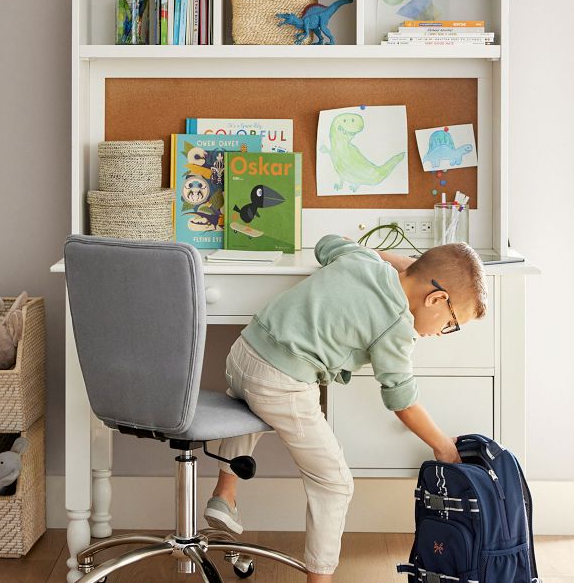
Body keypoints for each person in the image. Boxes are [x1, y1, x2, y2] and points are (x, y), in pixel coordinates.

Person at [204, 234, 488, 583]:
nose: (443, 332)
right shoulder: (396, 326)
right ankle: (319, 579)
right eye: (451, 323)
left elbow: (325, 244)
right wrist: (443, 445)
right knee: (335, 484)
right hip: (283, 383)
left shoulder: (363, 261)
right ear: (437, 299)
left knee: (248, 405)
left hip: (243, 354)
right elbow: (402, 400)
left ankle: (225, 492)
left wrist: (401, 265)